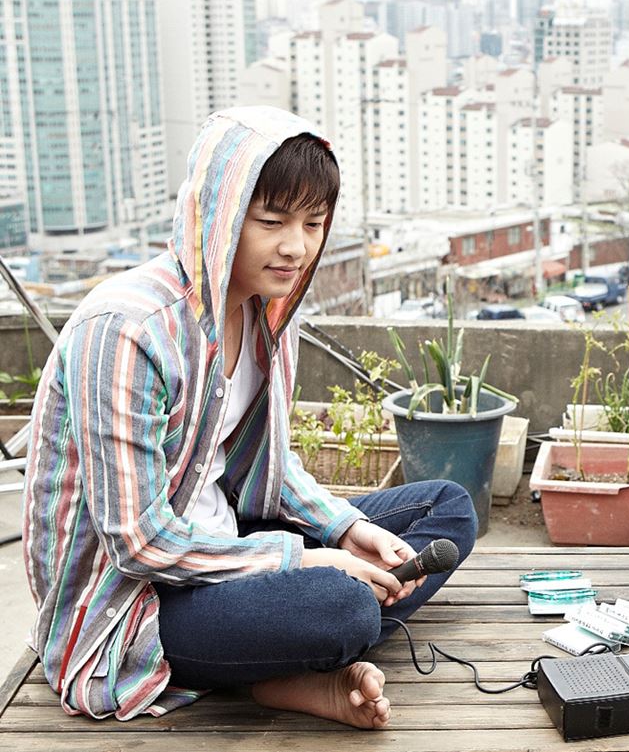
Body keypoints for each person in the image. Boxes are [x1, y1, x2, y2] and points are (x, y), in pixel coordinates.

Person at [21, 107, 478, 728]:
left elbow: (266, 464)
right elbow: (139, 543)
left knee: (446, 509)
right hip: (140, 598)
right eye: (271, 221)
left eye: (313, 223)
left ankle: (281, 664)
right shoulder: (129, 330)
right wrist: (305, 561)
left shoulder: (267, 312)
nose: (297, 246)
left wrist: (343, 528)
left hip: (235, 541)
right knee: (341, 607)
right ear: (219, 212)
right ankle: (288, 663)